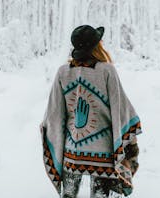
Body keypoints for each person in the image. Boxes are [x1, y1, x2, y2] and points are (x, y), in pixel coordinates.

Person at [41, 25, 142, 198]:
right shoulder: (106, 70)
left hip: (72, 151)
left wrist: (52, 134)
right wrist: (129, 142)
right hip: (102, 153)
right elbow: (121, 108)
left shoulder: (63, 72)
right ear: (96, 46)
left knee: (69, 196)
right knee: (100, 195)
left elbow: (55, 113)